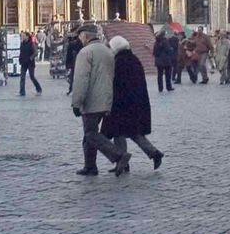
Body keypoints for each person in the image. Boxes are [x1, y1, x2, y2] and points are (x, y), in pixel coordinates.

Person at [101, 36, 162, 172]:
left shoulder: (119, 62)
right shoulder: (134, 59)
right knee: (133, 132)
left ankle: (123, 161)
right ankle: (152, 153)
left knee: (119, 132)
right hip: (136, 103)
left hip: (121, 104)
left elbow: (115, 84)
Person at [70, 25, 124, 176]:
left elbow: (81, 79)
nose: (79, 39)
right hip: (106, 98)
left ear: (85, 36)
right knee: (89, 135)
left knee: (91, 134)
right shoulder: (108, 51)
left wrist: (76, 102)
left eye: (80, 36)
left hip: (91, 101)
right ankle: (90, 166)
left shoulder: (85, 52)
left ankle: (118, 155)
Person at [153, 26, 177, 93]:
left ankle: (160, 88)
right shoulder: (165, 41)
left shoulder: (156, 42)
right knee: (168, 74)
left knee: (159, 75)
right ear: (164, 35)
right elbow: (168, 49)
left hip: (158, 60)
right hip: (166, 60)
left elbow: (154, 52)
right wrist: (171, 49)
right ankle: (168, 87)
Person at [18, 31, 42, 96]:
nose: (22, 37)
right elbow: (21, 52)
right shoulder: (22, 43)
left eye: (24, 36)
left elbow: (36, 52)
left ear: (27, 37)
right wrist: (20, 59)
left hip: (30, 63)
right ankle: (22, 92)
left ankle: (39, 88)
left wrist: (31, 58)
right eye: (22, 36)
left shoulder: (31, 44)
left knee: (32, 76)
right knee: (22, 77)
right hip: (24, 63)